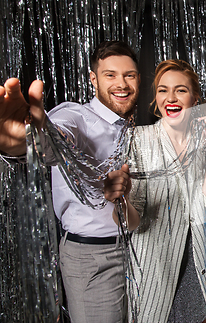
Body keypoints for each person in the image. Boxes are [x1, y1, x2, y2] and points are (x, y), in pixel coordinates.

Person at [0, 40, 140, 322]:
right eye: (110, 75)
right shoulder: (74, 116)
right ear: (93, 79)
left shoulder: (137, 129)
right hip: (93, 256)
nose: (121, 84)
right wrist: (23, 141)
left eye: (130, 75)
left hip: (140, 250)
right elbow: (53, 140)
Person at [103, 59, 206, 322]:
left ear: (195, 99)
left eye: (181, 90)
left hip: (199, 262)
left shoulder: (205, 140)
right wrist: (122, 200)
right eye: (163, 90)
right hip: (156, 267)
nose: (170, 97)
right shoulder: (137, 139)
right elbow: (131, 221)